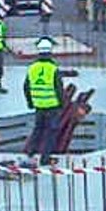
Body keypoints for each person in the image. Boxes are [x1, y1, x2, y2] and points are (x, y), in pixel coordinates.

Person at [23, 36, 64, 166]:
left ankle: (30, 152)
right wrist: (61, 103)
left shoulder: (32, 68)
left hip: (38, 105)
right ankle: (45, 158)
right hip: (52, 105)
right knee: (51, 132)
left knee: (38, 129)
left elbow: (26, 87)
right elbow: (59, 89)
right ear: (50, 51)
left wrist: (30, 102)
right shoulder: (53, 69)